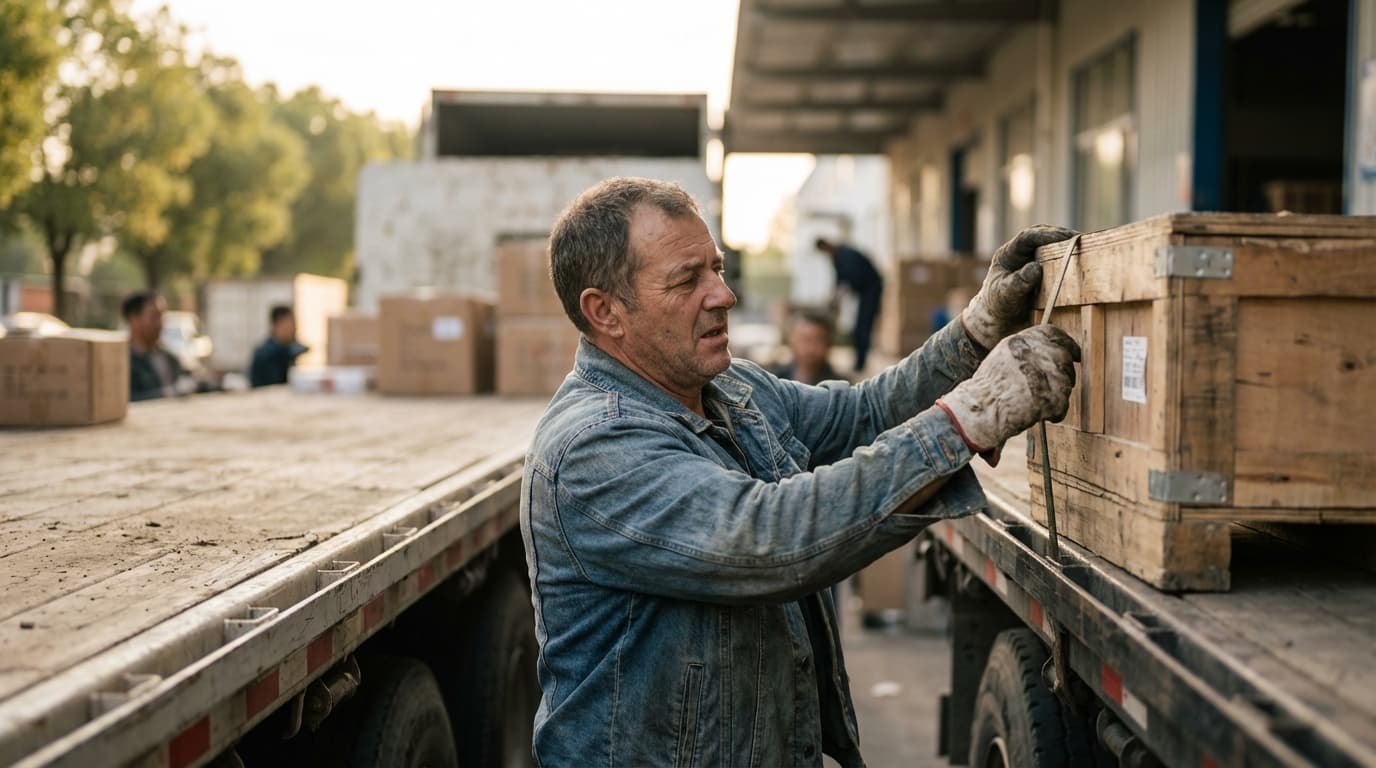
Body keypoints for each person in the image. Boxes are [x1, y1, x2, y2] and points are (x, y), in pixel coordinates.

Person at [521, 176, 1080, 766]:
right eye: (688, 280)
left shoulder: (729, 388)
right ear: (605, 311)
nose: (723, 295)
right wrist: (969, 418)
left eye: (717, 268)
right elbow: (769, 538)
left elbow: (863, 414)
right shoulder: (593, 448)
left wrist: (976, 331)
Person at [815, 237, 884, 373]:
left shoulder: (845, 255)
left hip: (871, 290)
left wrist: (838, 297)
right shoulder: (836, 258)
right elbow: (839, 281)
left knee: (863, 327)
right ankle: (859, 362)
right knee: (859, 327)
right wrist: (833, 298)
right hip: (863, 292)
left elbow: (852, 278)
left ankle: (860, 364)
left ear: (826, 246)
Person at [123, 291, 193, 402]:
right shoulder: (122, 362)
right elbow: (128, 399)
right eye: (154, 316)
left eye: (162, 317)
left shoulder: (169, 357)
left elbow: (189, 380)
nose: (159, 323)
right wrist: (168, 394)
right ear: (133, 319)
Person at [772, 311, 840, 385]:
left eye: (818, 340)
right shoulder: (775, 379)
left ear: (829, 344)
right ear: (790, 340)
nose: (811, 348)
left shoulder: (837, 387)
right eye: (805, 340)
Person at [248, 305, 308, 387]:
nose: (294, 329)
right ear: (276, 325)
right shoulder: (266, 352)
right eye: (290, 325)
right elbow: (274, 384)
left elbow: (303, 348)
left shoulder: (287, 346)